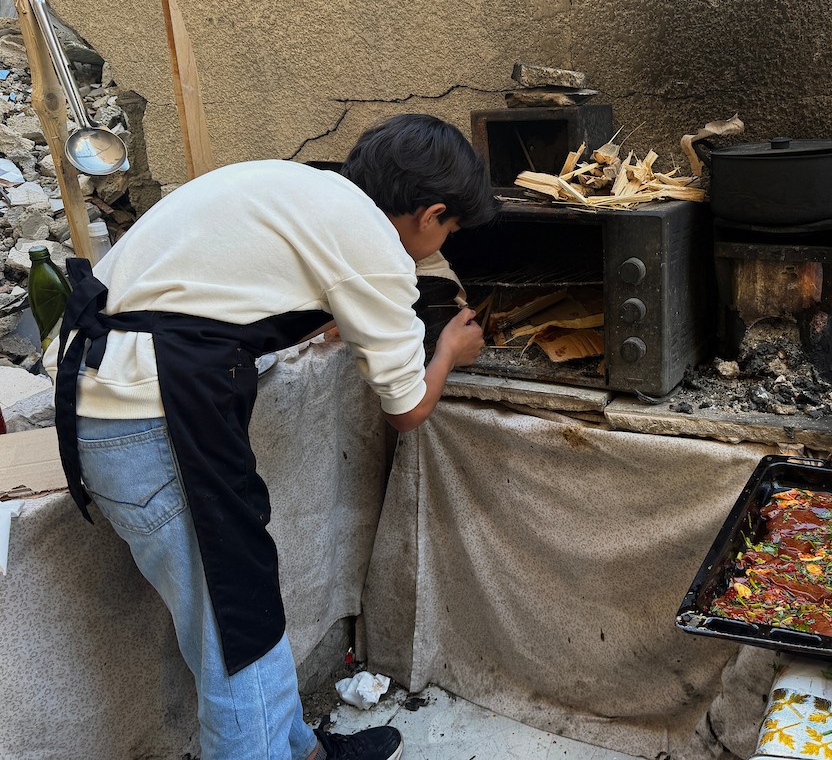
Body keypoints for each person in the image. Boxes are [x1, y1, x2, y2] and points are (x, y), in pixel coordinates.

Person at [47, 113, 497, 760]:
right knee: (238, 634)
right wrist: (450, 351)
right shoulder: (375, 249)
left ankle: (306, 753)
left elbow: (228, 293)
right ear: (430, 213)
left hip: (116, 395)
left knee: (245, 604)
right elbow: (406, 410)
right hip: (150, 421)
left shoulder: (304, 187)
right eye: (450, 228)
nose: (444, 242)